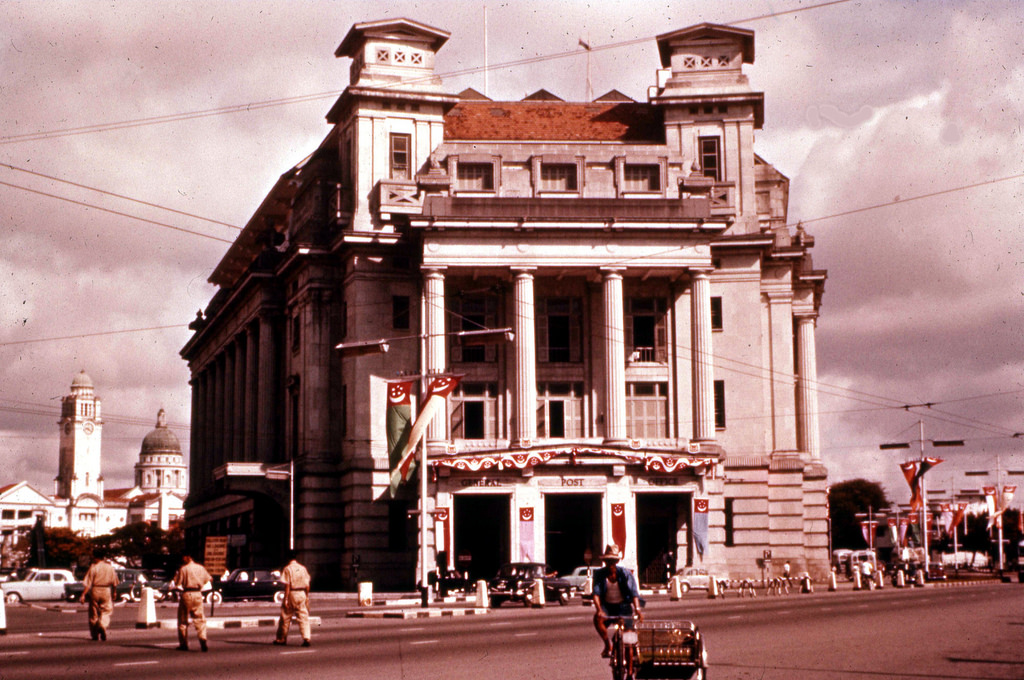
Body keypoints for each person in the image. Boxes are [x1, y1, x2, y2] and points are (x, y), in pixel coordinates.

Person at [591, 544, 643, 659]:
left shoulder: (625, 574)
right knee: (597, 619)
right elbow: (596, 594)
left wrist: (638, 609)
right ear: (605, 562)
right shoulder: (599, 574)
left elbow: (634, 593)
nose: (610, 564)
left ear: (616, 562)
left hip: (624, 607)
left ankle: (629, 673)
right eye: (608, 561)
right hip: (607, 607)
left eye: (613, 561)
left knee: (629, 641)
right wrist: (599, 610)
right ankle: (607, 645)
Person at [173, 553, 212, 652]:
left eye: (184, 556)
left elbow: (178, 583)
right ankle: (202, 638)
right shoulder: (201, 568)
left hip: (186, 594)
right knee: (200, 618)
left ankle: (183, 644)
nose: (183, 559)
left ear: (188, 557)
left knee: (183, 620)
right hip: (198, 594)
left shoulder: (183, 569)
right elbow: (209, 579)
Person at [274, 550, 311, 647]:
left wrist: (285, 599)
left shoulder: (287, 569)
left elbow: (287, 585)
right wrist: (306, 596)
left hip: (292, 593)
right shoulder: (303, 568)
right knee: (303, 617)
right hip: (302, 593)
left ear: (288, 558)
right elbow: (307, 585)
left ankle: (281, 638)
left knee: (285, 617)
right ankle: (306, 637)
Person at [80, 551, 119, 641]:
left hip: (95, 590)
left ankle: (94, 634)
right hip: (106, 590)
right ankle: (102, 624)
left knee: (93, 613)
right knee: (106, 610)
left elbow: (88, 583)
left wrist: (83, 595)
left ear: (96, 558)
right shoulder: (110, 568)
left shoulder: (93, 568)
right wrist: (114, 592)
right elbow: (114, 582)